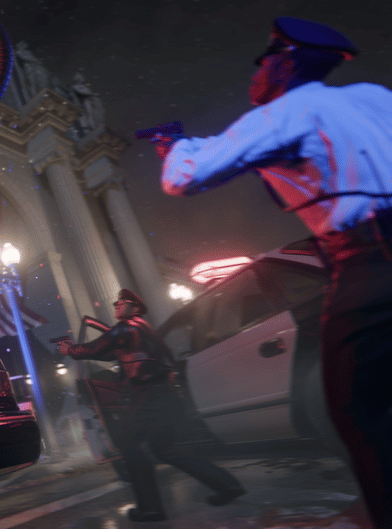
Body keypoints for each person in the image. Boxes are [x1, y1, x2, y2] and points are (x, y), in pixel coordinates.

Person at [154, 16, 392, 528]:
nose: (255, 74)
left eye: (263, 62)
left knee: (358, 406)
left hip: (367, 263)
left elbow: (184, 177)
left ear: (286, 63)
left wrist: (171, 145)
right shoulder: (373, 96)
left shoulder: (284, 112)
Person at [57, 289, 244, 522]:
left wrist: (71, 350)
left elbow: (96, 347)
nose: (116, 305)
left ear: (134, 308)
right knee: (165, 449)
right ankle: (227, 485)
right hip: (168, 397)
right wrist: (80, 352)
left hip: (149, 397)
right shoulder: (144, 330)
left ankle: (150, 508)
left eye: (121, 302)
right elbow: (110, 353)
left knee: (127, 443)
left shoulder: (127, 327)